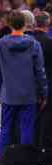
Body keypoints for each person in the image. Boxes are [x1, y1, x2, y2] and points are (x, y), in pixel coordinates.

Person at [0, 11, 48, 159]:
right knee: (27, 129)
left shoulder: (0, 44)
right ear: (24, 24)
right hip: (29, 94)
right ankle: (26, 161)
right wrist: (44, 94)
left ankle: (3, 161)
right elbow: (40, 72)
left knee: (6, 129)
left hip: (8, 94)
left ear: (9, 24)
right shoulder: (33, 44)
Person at [33, 11, 52, 147]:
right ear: (48, 23)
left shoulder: (28, 41)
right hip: (47, 86)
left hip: (27, 87)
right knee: (45, 121)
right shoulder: (49, 42)